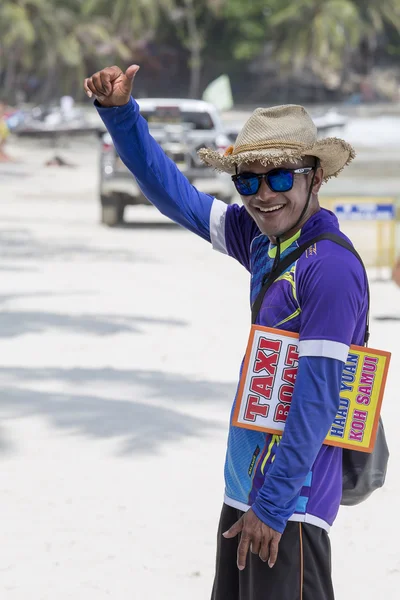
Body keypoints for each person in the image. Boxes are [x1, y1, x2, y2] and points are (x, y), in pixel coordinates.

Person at [84, 65, 368, 600]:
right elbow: (174, 194)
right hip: (246, 492)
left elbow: (319, 398)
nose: (264, 195)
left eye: (281, 177)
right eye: (249, 180)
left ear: (317, 177)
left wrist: (273, 506)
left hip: (290, 507)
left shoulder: (329, 269)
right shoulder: (263, 240)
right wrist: (121, 117)